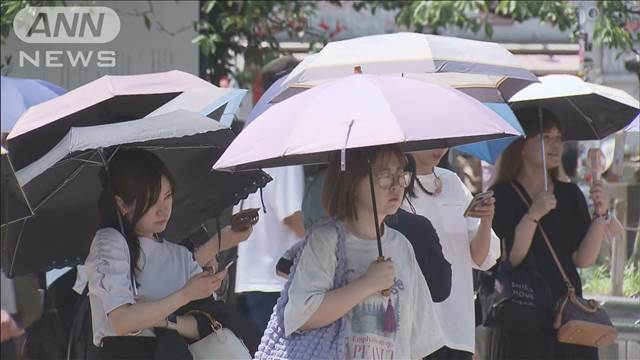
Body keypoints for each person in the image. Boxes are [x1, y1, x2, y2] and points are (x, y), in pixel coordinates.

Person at [84, 148, 252, 359]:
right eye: (151, 200)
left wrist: (164, 320)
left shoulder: (179, 254)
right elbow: (121, 321)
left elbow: (208, 322)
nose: (163, 209)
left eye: (168, 196)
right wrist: (184, 295)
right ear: (121, 204)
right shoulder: (110, 242)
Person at [276, 145, 438, 359]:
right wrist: (368, 284)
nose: (397, 186)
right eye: (385, 176)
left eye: (401, 175)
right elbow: (299, 316)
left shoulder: (401, 245)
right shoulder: (326, 240)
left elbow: (419, 338)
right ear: (352, 179)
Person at [487, 107, 608, 360]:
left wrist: (600, 215)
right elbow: (512, 258)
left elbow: (582, 259)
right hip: (522, 311)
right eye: (545, 138)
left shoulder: (569, 193)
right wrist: (533, 215)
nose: (555, 145)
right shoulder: (500, 196)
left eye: (559, 138)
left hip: (566, 314)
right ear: (521, 144)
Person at [402, 148, 500, 360]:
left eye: (444, 141)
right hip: (413, 328)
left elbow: (480, 257)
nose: (439, 148)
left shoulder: (452, 182)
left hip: (457, 325)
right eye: (432, 139)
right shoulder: (394, 186)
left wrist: (486, 220)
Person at [234, 165, 305, 336]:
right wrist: (319, 246)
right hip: (276, 279)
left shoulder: (252, 152)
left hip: (252, 276)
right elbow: (290, 216)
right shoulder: (287, 160)